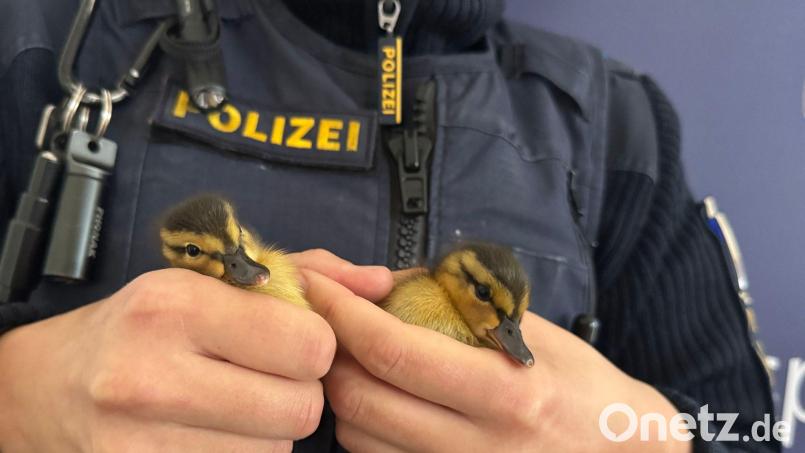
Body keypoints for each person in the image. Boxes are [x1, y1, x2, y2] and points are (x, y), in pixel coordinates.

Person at [0, 0, 779, 452]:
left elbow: (743, 433)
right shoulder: (48, 49)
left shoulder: (609, 126)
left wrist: (628, 438)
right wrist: (24, 396)